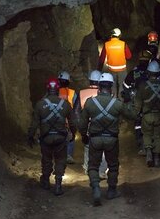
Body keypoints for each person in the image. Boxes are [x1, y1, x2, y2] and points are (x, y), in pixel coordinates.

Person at [79, 73, 135, 206]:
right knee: (113, 165)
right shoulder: (117, 104)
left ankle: (96, 187)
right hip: (111, 140)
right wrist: (130, 101)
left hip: (95, 139)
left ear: (99, 87)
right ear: (111, 87)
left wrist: (84, 136)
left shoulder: (90, 103)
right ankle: (111, 190)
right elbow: (131, 116)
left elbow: (82, 124)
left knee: (93, 166)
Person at [27, 77, 75, 195]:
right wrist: (73, 133)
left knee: (47, 159)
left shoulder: (40, 105)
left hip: (46, 138)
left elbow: (34, 123)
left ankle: (46, 181)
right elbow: (73, 122)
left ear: (47, 89)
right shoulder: (66, 104)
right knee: (60, 160)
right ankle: (58, 185)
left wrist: (30, 136)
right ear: (58, 89)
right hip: (60, 138)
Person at [134, 61, 160, 168]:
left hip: (147, 115)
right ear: (158, 73)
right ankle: (157, 158)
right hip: (159, 115)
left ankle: (149, 152)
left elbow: (138, 102)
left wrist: (137, 113)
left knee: (147, 134)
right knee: (158, 136)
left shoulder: (142, 86)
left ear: (148, 73)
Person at [122, 50, 153, 156]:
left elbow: (125, 85)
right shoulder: (152, 71)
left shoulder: (134, 72)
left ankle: (141, 145)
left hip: (137, 102)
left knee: (138, 123)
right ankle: (151, 145)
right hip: (150, 101)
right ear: (149, 61)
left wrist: (128, 96)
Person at [79, 70, 108, 179]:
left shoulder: (82, 93)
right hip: (102, 124)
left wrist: (81, 128)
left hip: (88, 123)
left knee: (88, 147)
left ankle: (88, 168)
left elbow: (77, 112)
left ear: (90, 80)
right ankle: (101, 171)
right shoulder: (105, 93)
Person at [97, 28, 132, 96]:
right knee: (122, 86)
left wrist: (99, 69)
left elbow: (102, 58)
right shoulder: (123, 44)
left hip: (111, 70)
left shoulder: (107, 44)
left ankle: (113, 101)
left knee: (112, 86)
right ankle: (121, 102)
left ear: (111, 35)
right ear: (119, 35)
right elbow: (129, 56)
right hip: (122, 70)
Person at [57, 71, 80, 164]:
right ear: (68, 81)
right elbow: (76, 107)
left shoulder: (53, 91)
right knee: (71, 135)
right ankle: (68, 155)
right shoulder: (73, 92)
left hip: (56, 118)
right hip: (68, 117)